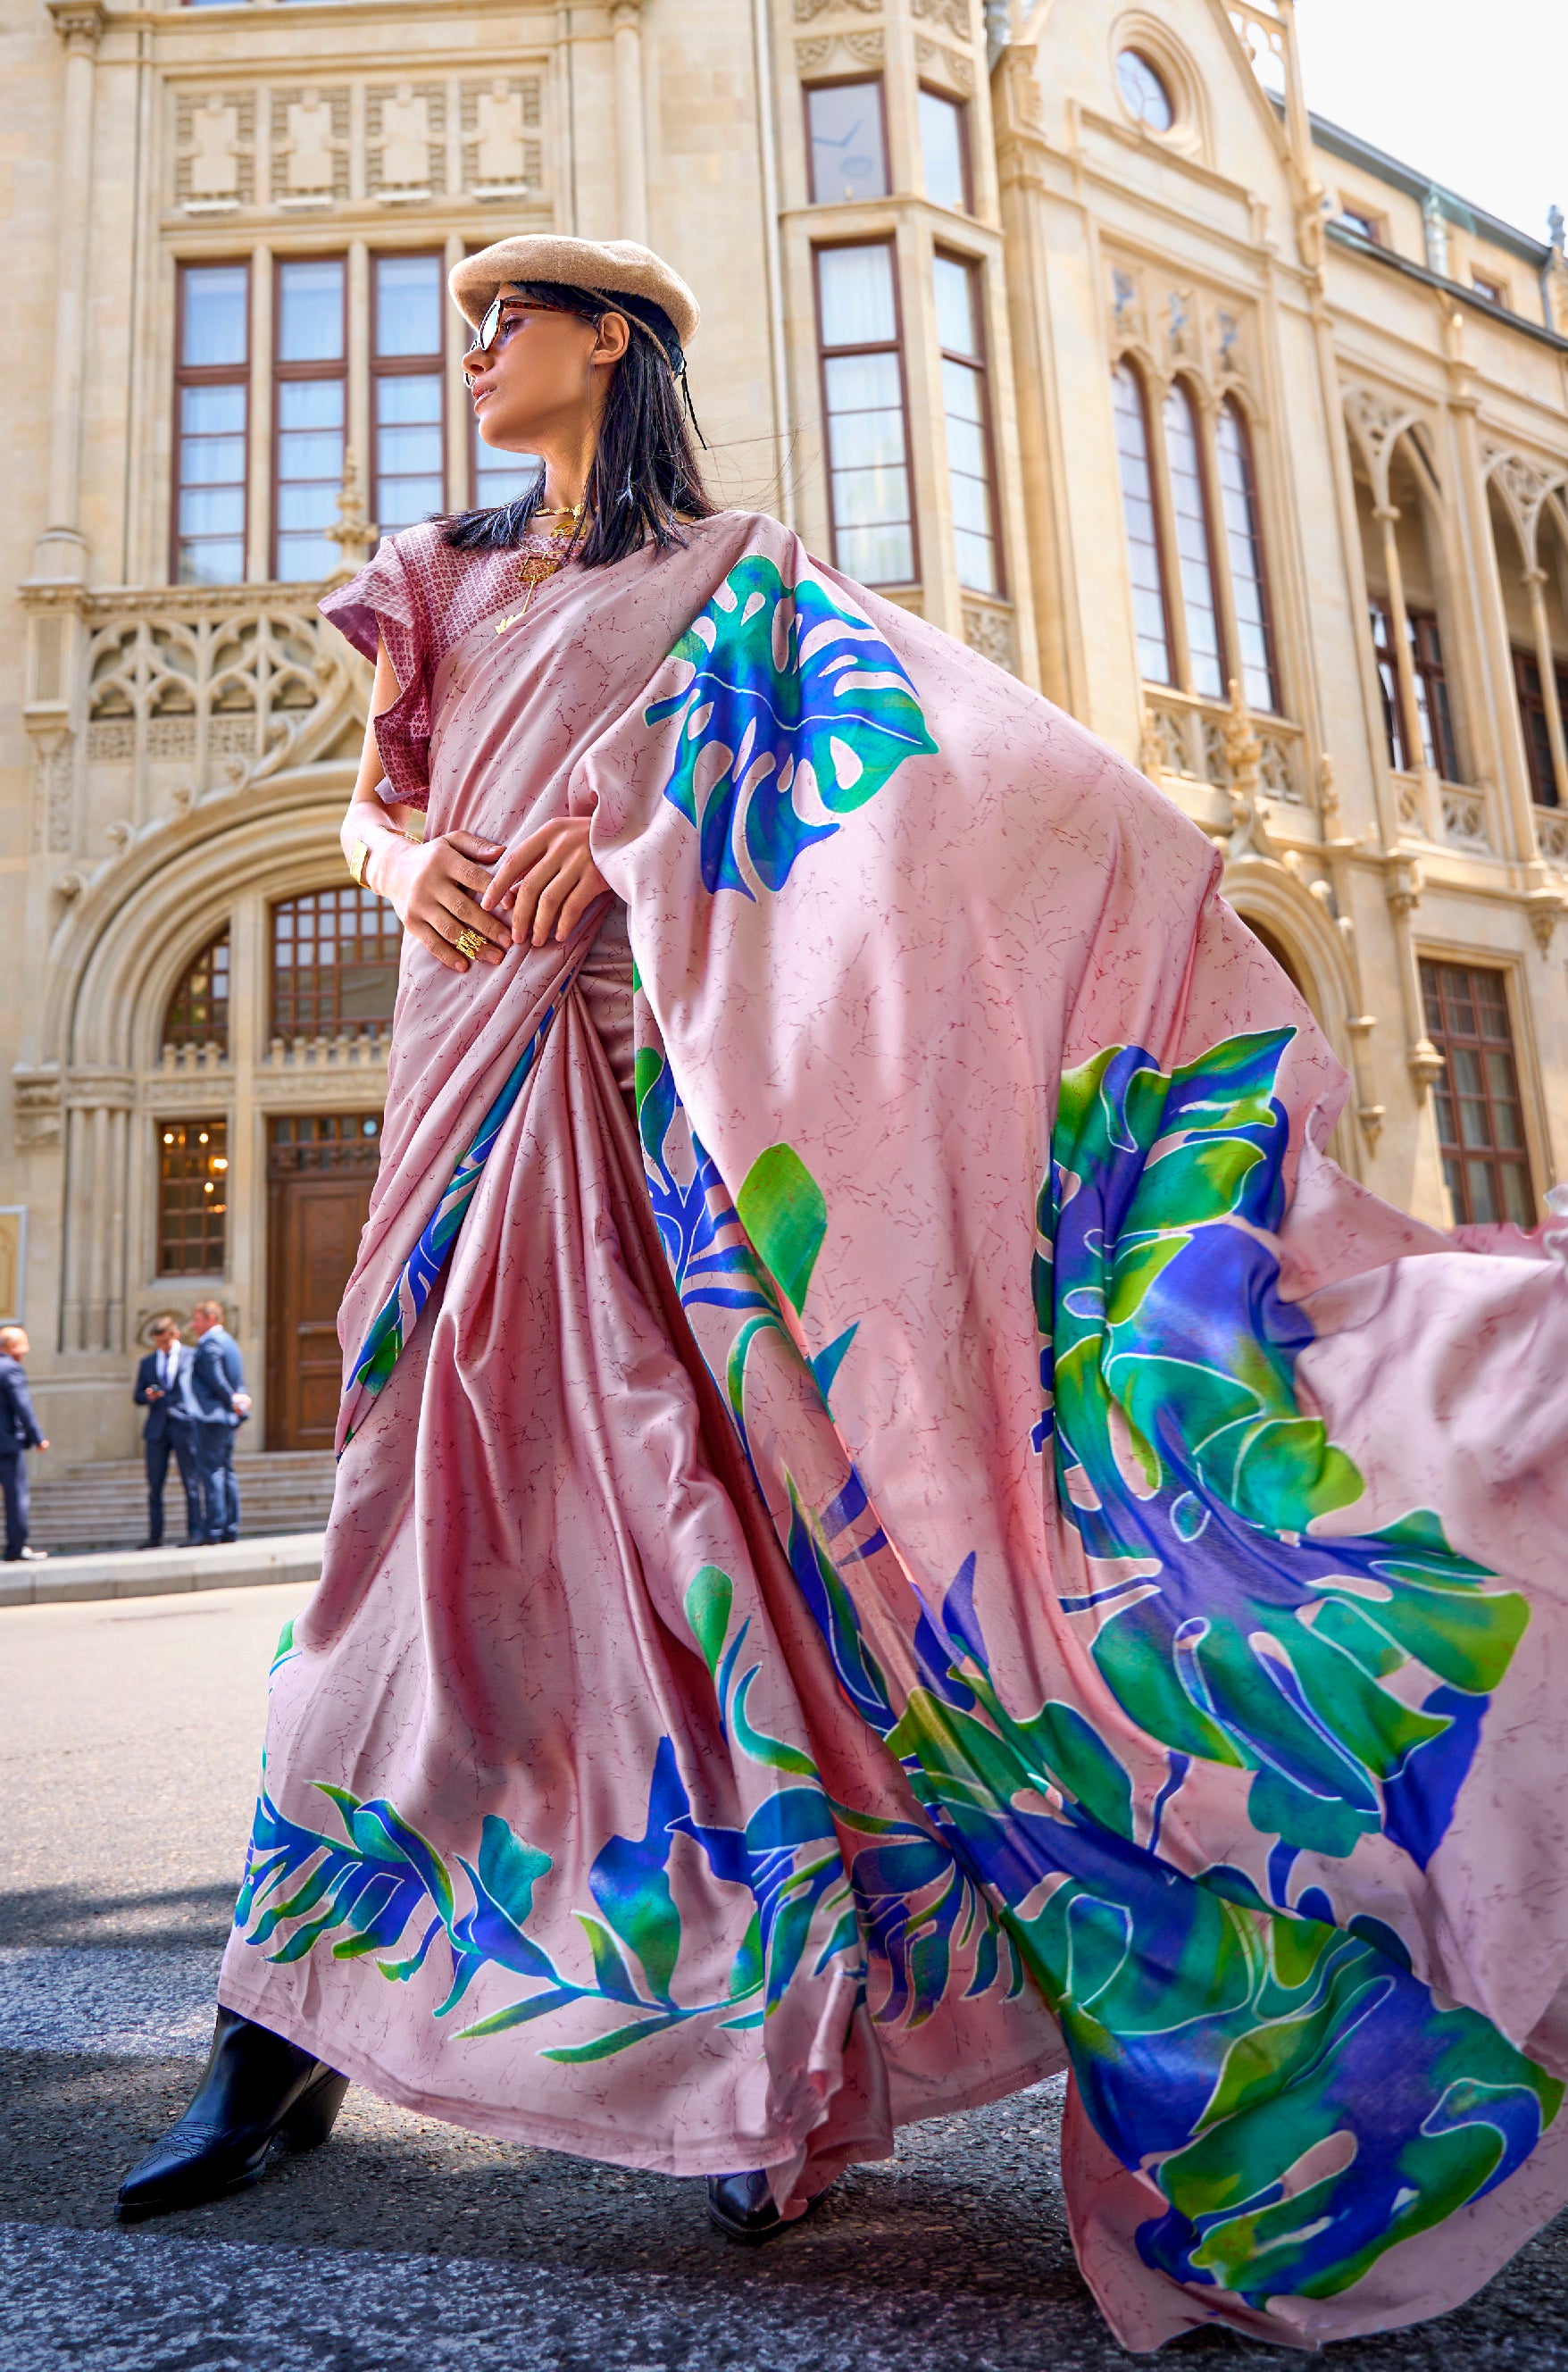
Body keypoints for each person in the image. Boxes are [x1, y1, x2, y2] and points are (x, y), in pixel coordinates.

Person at [117, 235, 1568, 2351]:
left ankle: (723, 2051)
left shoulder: (735, 579)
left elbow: (906, 790)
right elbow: (377, 787)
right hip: (459, 1067)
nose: (471, 357)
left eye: (503, 322)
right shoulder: (433, 567)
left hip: (639, 1083)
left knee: (725, 1566)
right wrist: (390, 861)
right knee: (400, 1543)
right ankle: (285, 2036)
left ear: (608, 337)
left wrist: (622, 833)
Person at [133, 1315, 201, 1549]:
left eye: (165, 1341)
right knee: (154, 1485)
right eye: (157, 1342)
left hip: (184, 1424)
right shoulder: (147, 1363)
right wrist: (147, 1395)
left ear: (176, 1335)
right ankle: (155, 1535)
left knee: (191, 1481)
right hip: (157, 1428)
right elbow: (137, 1396)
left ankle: (195, 1531)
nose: (161, 1347)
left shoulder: (192, 1356)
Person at [186, 1300, 250, 1544]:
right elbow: (235, 1380)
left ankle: (213, 1529)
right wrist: (238, 1403)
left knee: (211, 1471)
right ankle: (228, 1527)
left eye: (198, 1319)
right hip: (226, 1417)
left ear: (211, 1318)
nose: (193, 1325)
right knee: (226, 1471)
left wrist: (232, 1400)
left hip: (212, 1417)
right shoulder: (230, 1342)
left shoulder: (211, 1343)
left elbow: (217, 1379)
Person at [0, 1324, 48, 1563]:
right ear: (10, 1347)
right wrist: (38, 1437)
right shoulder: (11, 1370)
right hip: (6, 1446)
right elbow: (23, 1407)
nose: (26, 1350)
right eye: (23, 1344)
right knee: (16, 1497)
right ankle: (16, 1548)